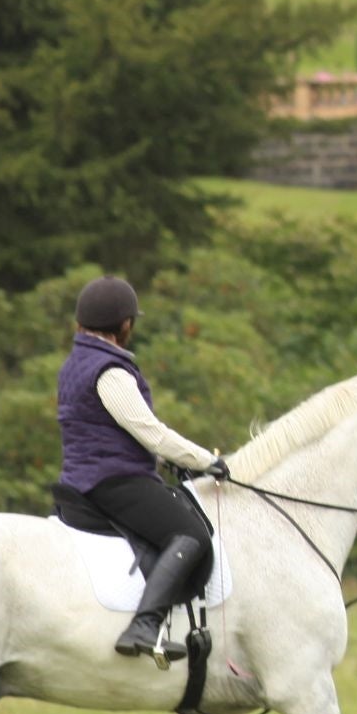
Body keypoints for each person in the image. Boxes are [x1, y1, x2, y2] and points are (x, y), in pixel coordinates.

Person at [56, 276, 230, 658]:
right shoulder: (110, 371)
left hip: (83, 478)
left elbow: (111, 428)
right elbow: (149, 431)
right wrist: (207, 461)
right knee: (192, 535)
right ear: (124, 325)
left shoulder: (76, 363)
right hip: (113, 481)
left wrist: (167, 460)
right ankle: (145, 626)